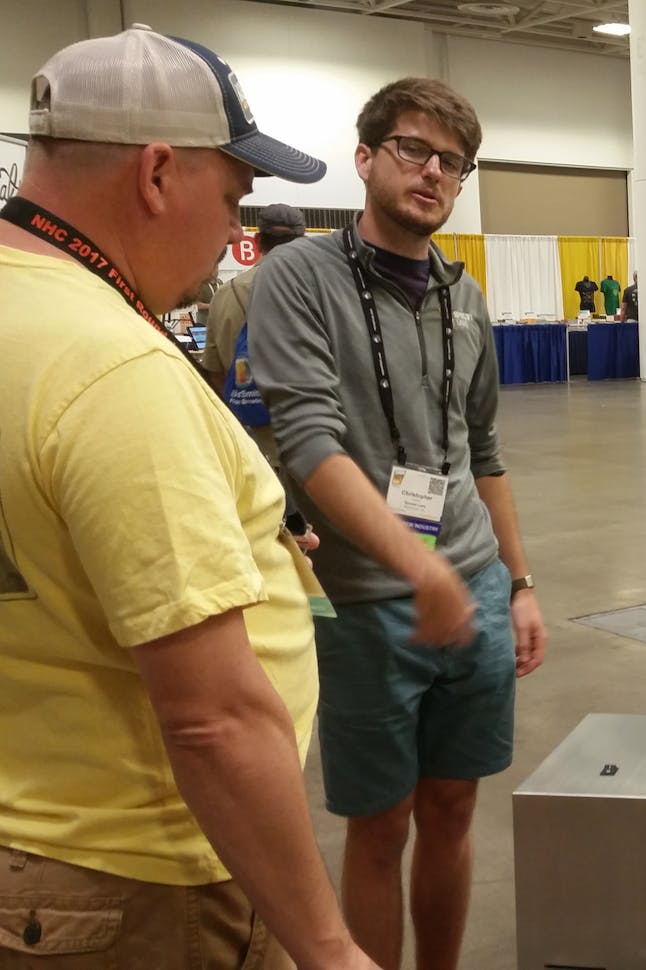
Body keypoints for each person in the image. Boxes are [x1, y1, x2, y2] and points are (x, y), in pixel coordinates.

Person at [0, 24, 379, 970]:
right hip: (137, 878)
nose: (234, 234)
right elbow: (211, 718)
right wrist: (330, 950)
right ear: (159, 172)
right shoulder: (111, 365)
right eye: (236, 194)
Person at [247, 77, 548, 970]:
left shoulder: (465, 295)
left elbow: (482, 453)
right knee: (380, 828)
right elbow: (307, 443)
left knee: (452, 811)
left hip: (475, 593)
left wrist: (518, 584)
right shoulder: (299, 276)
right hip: (372, 600)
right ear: (367, 157)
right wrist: (420, 572)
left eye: (452, 163)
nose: (433, 174)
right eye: (415, 150)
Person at [202, 202, 308, 465]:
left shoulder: (225, 295)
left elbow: (215, 375)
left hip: (249, 450)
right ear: (304, 242)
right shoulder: (324, 292)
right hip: (311, 452)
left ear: (258, 240)